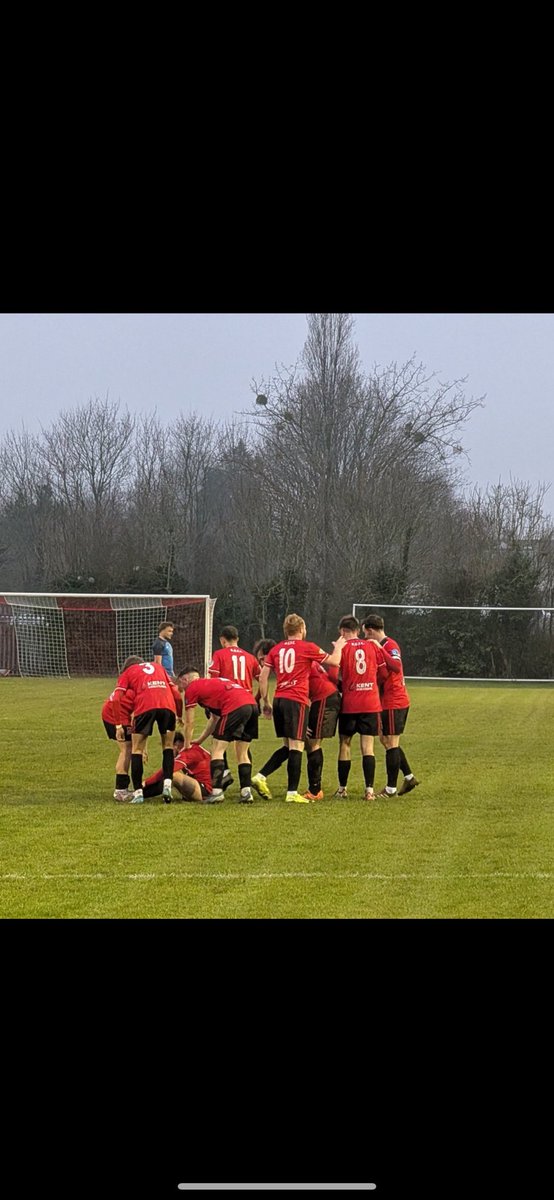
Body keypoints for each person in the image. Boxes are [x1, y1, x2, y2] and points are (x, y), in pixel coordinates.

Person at [254, 613, 345, 803]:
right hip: (297, 699)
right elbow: (335, 663)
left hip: (279, 699)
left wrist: (266, 701)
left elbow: (263, 676)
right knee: (297, 745)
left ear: (285, 631)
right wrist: (339, 647)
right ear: (302, 629)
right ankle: (292, 792)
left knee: (289, 745)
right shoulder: (308, 647)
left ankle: (261, 776)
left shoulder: (276, 649)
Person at [335, 614, 401, 801]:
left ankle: (342, 789)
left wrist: (344, 686)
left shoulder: (344, 647)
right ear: (358, 629)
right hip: (371, 703)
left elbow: (334, 672)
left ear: (342, 631)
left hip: (350, 702)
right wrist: (371, 684)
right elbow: (383, 672)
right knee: (368, 747)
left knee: (345, 744)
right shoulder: (372, 645)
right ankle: (369, 791)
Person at [176, 669, 259, 803]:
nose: (181, 687)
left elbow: (190, 722)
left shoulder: (192, 688)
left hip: (235, 706)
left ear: (185, 680)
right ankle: (246, 792)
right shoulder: (210, 685)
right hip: (252, 705)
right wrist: (199, 740)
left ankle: (217, 792)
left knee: (217, 749)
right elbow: (214, 719)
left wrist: (186, 744)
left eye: (180, 683)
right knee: (242, 752)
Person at [362, 613, 420, 797]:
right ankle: (409, 778)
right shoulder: (384, 646)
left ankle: (390, 789)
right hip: (386, 701)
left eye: (365, 634)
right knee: (386, 740)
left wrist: (379, 648)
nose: (365, 638)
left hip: (395, 700)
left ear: (370, 631)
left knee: (392, 743)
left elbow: (395, 666)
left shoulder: (390, 645)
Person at [112, 658, 181, 804]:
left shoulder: (128, 672)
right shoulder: (158, 667)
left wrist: (118, 725)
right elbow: (175, 692)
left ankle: (138, 793)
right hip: (167, 706)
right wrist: (179, 714)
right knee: (168, 746)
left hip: (144, 707)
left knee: (137, 749)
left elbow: (116, 699)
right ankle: (167, 784)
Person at [141, 731, 229, 803]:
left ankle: (141, 793)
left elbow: (167, 771)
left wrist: (145, 783)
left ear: (177, 744)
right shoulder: (192, 748)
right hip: (206, 786)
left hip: (206, 790)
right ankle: (141, 793)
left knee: (172, 775)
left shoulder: (187, 752)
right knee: (170, 775)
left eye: (168, 746)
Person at [101, 655, 142, 801]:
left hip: (118, 715)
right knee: (126, 750)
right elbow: (116, 702)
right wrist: (118, 726)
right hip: (114, 716)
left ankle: (122, 788)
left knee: (130, 749)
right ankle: (120, 789)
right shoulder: (132, 685)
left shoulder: (129, 682)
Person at [303, 661, 341, 800]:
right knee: (311, 743)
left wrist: (304, 721)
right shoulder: (309, 660)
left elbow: (303, 691)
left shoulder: (301, 662)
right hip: (326, 696)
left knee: (313, 742)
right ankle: (314, 787)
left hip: (324, 697)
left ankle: (315, 790)